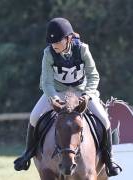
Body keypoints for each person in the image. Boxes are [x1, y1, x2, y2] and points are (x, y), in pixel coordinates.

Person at [14, 17, 122, 176]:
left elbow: (94, 76)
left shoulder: (83, 49)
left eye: (58, 41)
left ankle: (109, 158)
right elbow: (47, 82)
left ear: (68, 38)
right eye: (52, 42)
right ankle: (28, 153)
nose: (54, 45)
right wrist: (53, 97)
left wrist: (87, 94)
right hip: (56, 91)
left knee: (104, 119)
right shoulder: (48, 53)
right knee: (34, 116)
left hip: (82, 91)